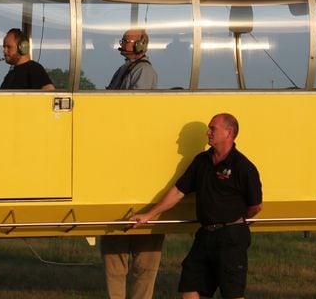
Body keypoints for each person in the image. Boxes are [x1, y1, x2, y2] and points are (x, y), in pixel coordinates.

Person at [131, 113, 263, 299]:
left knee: (232, 293)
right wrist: (148, 215)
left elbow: (256, 206)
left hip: (231, 238)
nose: (208, 132)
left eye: (212, 128)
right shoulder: (201, 161)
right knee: (190, 286)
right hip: (205, 235)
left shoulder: (243, 167)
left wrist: (235, 222)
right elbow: (178, 191)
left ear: (229, 133)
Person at [101, 28, 163, 299]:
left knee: (144, 264)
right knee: (114, 259)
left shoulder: (143, 72)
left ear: (140, 44)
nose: (122, 43)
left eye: (126, 40)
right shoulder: (124, 69)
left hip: (133, 154)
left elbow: (133, 108)